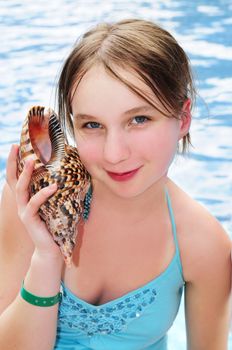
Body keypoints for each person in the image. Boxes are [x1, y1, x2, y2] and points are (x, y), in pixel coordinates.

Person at [0, 18, 231, 350]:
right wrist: (46, 258)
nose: (114, 154)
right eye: (92, 124)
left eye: (139, 119)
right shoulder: (33, 200)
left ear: (183, 118)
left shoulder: (204, 246)